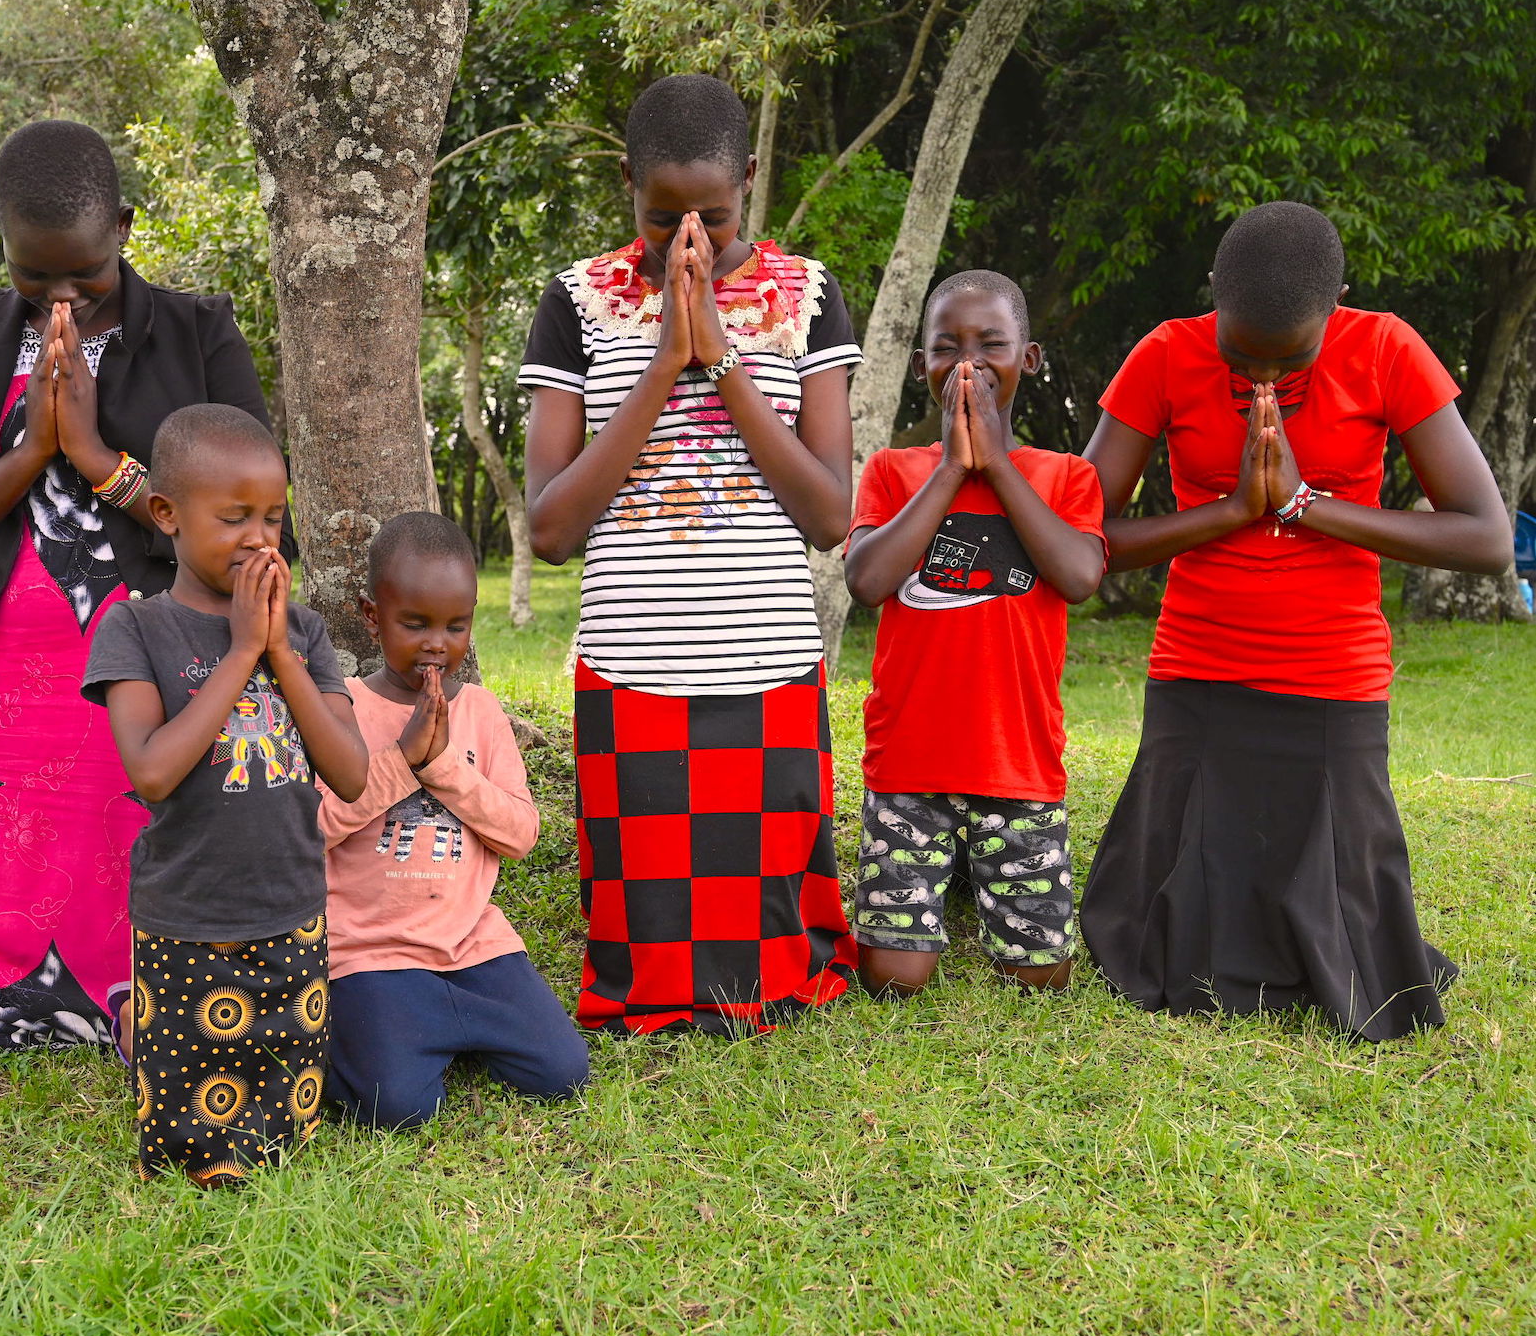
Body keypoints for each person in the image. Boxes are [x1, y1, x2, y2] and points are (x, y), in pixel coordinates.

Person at [0, 120, 272, 1050]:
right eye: (31, 275)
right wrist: (30, 454)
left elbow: (250, 526)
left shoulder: (195, 332)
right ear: (2, 241)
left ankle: (145, 1005)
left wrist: (95, 458)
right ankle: (0, 1003)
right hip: (4, 687)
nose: (61, 299)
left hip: (151, 672)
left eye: (84, 276)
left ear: (124, 227)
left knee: (141, 869)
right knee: (13, 879)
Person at [1080, 201, 1515, 1040]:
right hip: (1197, 666)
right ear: (1212, 294)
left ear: (1338, 302)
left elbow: (1485, 537)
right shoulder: (1165, 354)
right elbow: (1082, 542)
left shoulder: (1385, 348)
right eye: (1239, 358)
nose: (1260, 385)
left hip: (1331, 671)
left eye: (1290, 359)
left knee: (1351, 923)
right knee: (1165, 944)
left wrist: (1305, 505)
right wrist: (1233, 509)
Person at [519, 74, 859, 1037]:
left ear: (750, 179)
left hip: (767, 656)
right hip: (635, 659)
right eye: (663, 218)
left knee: (766, 934)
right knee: (648, 927)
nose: (688, 241)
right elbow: (550, 528)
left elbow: (829, 514)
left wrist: (722, 361)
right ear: (627, 183)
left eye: (712, 214)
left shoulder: (809, 298)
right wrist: (664, 358)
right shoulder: (576, 300)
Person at [82, 404, 367, 1184]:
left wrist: (277, 647)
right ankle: (135, 1029)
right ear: (168, 514)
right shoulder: (135, 629)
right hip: (186, 917)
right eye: (234, 515)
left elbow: (349, 772)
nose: (259, 537)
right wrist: (243, 650)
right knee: (189, 1143)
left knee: (285, 1118)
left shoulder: (302, 632)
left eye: (273, 517)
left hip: (290, 907)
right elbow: (151, 772)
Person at [842, 272, 1105, 997]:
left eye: (990, 344)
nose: (966, 363)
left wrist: (996, 462)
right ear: (920, 363)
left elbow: (1079, 575)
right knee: (893, 980)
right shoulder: (895, 472)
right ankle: (933, 893)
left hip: (1014, 762)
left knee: (1040, 975)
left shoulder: (1064, 475)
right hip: (908, 766)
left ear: (1030, 358)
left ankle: (974, 888)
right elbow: (866, 581)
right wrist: (955, 466)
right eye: (944, 347)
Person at [315, 513, 590, 1128]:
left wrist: (442, 767)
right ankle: (350, 1039)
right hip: (372, 952)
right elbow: (313, 831)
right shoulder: (342, 709)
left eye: (455, 625)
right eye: (414, 624)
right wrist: (401, 761)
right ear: (371, 616)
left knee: (562, 1071)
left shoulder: (482, 712)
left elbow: (520, 835)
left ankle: (430, 1033)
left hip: (472, 945)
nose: (437, 643)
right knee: (401, 1108)